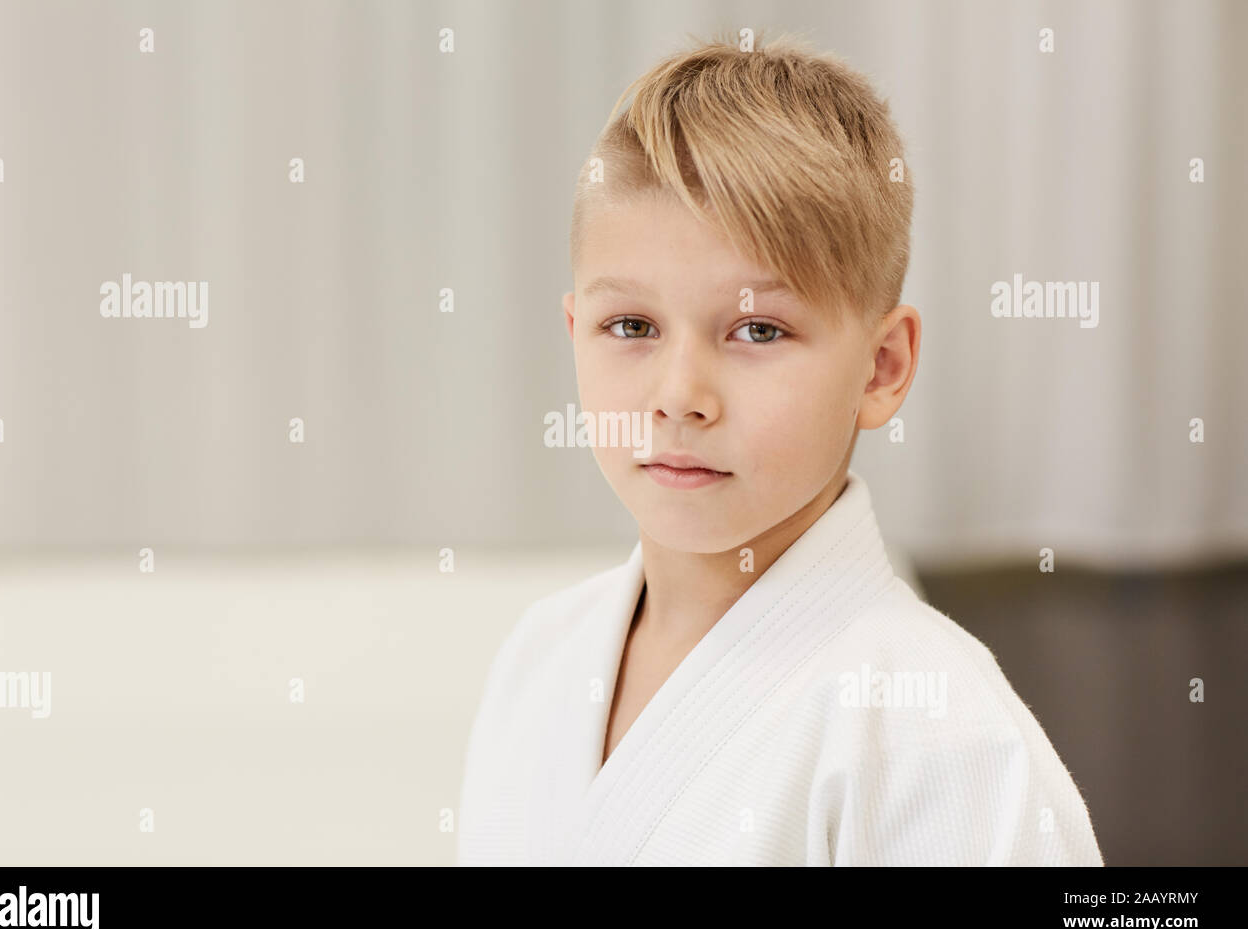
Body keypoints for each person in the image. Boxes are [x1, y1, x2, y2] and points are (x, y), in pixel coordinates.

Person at [457, 33, 1104, 866]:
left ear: (882, 367)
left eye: (758, 329)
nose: (679, 395)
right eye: (632, 327)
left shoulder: (942, 738)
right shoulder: (540, 657)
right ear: (575, 331)